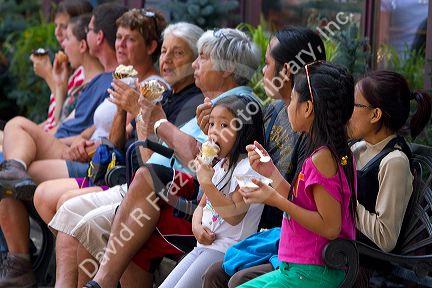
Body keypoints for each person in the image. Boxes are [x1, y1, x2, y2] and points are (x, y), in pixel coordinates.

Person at [50, 28, 260, 288]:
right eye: (165, 51)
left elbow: (200, 159)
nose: (194, 64)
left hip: (199, 210)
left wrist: (157, 120)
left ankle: (101, 282)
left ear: (227, 67)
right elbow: (156, 156)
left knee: (94, 221)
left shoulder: (239, 106)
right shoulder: (213, 104)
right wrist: (145, 116)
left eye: (202, 57)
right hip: (172, 197)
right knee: (82, 220)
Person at [0, 4, 127, 288]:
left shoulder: (112, 79)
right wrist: (57, 85)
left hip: (95, 161)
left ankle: (18, 259)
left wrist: (84, 143)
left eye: (65, 34)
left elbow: (106, 133)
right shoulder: (99, 80)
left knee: (15, 133)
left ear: (92, 40)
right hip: (74, 147)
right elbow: (78, 125)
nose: (60, 39)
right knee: (9, 157)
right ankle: (16, 258)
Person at [201, 26, 327, 288]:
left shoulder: (312, 131)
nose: (263, 72)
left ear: (286, 71)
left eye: (268, 64)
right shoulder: (272, 111)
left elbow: (302, 200)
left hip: (284, 237)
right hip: (255, 227)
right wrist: (215, 135)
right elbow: (239, 161)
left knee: (225, 275)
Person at [34, 7, 169, 226]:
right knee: (40, 190)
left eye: (130, 40)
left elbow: (119, 141)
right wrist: (82, 140)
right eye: (118, 38)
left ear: (151, 47)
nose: (120, 45)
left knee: (53, 196)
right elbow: (105, 130)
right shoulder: (126, 79)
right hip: (101, 160)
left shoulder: (153, 87)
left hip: (122, 174)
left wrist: (85, 148)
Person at [237, 61, 357, 288]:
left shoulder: (323, 158)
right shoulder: (324, 152)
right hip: (299, 270)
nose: (288, 106)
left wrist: (275, 200)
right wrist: (270, 170)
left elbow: (330, 227)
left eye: (292, 100)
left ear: (308, 108)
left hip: (311, 274)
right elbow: (301, 201)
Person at [159, 96, 266, 288]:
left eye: (224, 125)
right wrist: (196, 225)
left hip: (227, 251)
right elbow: (202, 205)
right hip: (203, 246)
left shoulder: (251, 167)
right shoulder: (221, 165)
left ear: (244, 132)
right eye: (212, 124)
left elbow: (234, 215)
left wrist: (206, 183)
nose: (213, 131)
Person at [348, 70, 431, 286]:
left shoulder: (395, 162)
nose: (348, 112)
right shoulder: (359, 149)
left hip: (362, 269)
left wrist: (344, 200)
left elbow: (385, 238)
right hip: (343, 254)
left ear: (376, 115)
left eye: (355, 106)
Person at [30, 0, 93, 133]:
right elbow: (55, 120)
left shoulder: (86, 73)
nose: (57, 33)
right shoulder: (72, 67)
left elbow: (65, 120)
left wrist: (48, 75)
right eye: (56, 26)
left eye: (64, 27)